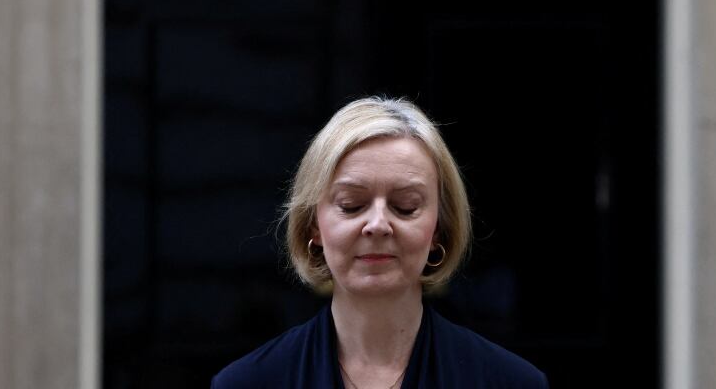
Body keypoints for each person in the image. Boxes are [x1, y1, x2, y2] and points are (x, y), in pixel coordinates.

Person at [212, 97, 548, 388]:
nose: (377, 225)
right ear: (313, 225)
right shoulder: (248, 382)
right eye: (351, 205)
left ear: (439, 230)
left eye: (405, 207)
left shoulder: (509, 382)